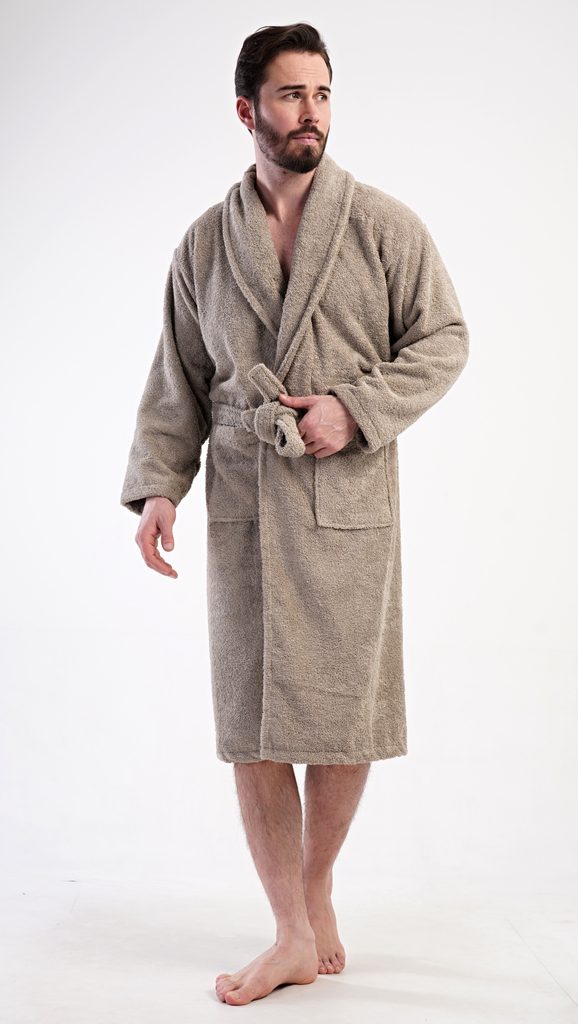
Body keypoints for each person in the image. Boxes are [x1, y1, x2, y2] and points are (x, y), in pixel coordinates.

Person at [120, 22, 469, 1006]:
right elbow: (180, 378)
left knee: (342, 717)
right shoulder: (205, 244)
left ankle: (313, 891)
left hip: (346, 497)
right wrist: (160, 485)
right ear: (248, 111)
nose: (310, 112)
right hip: (246, 502)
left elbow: (444, 339)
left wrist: (354, 407)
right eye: (289, 95)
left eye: (321, 93)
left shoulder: (384, 226)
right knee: (253, 722)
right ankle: (288, 932)